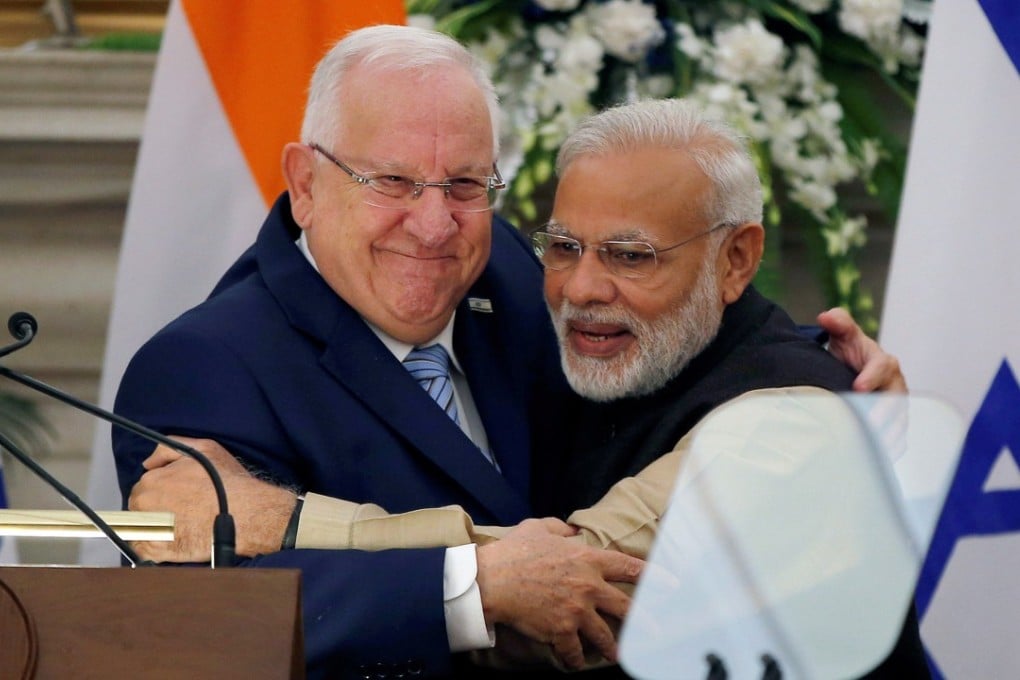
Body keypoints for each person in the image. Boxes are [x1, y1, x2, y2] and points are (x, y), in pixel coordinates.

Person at [117, 27, 906, 679]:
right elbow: (213, 629)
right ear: (305, 183)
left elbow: (584, 551)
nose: (434, 226)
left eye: (464, 185)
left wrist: (826, 389)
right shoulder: (198, 371)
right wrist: (471, 590)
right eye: (392, 180)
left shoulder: (519, 278)